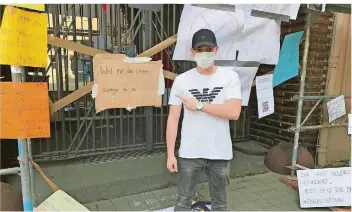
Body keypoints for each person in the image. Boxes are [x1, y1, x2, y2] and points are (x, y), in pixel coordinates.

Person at [166, 28, 242, 211]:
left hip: (220, 152)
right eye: (199, 50)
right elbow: (173, 119)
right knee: (183, 201)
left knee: (220, 204)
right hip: (190, 151)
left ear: (216, 50)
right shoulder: (182, 81)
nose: (204, 54)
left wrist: (199, 105)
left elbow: (234, 112)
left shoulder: (230, 77)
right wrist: (170, 154)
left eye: (208, 49)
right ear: (192, 52)